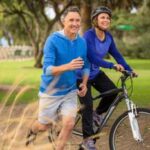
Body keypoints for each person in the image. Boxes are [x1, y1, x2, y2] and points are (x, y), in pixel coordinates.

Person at [26, 6, 90, 150]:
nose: (75, 23)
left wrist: (84, 83)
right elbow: (47, 70)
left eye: (77, 20)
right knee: (44, 125)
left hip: (70, 91)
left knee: (68, 124)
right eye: (71, 20)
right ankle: (32, 130)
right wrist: (68, 66)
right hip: (50, 92)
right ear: (63, 21)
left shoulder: (82, 42)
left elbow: (86, 65)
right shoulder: (53, 40)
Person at [77, 6, 136, 150]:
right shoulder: (88, 36)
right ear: (95, 20)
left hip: (95, 73)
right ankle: (87, 140)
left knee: (113, 92)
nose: (106, 20)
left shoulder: (108, 37)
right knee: (87, 105)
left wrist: (129, 69)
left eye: (108, 18)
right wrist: (112, 66)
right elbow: (92, 57)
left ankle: (97, 115)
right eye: (102, 17)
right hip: (80, 75)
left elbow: (117, 55)